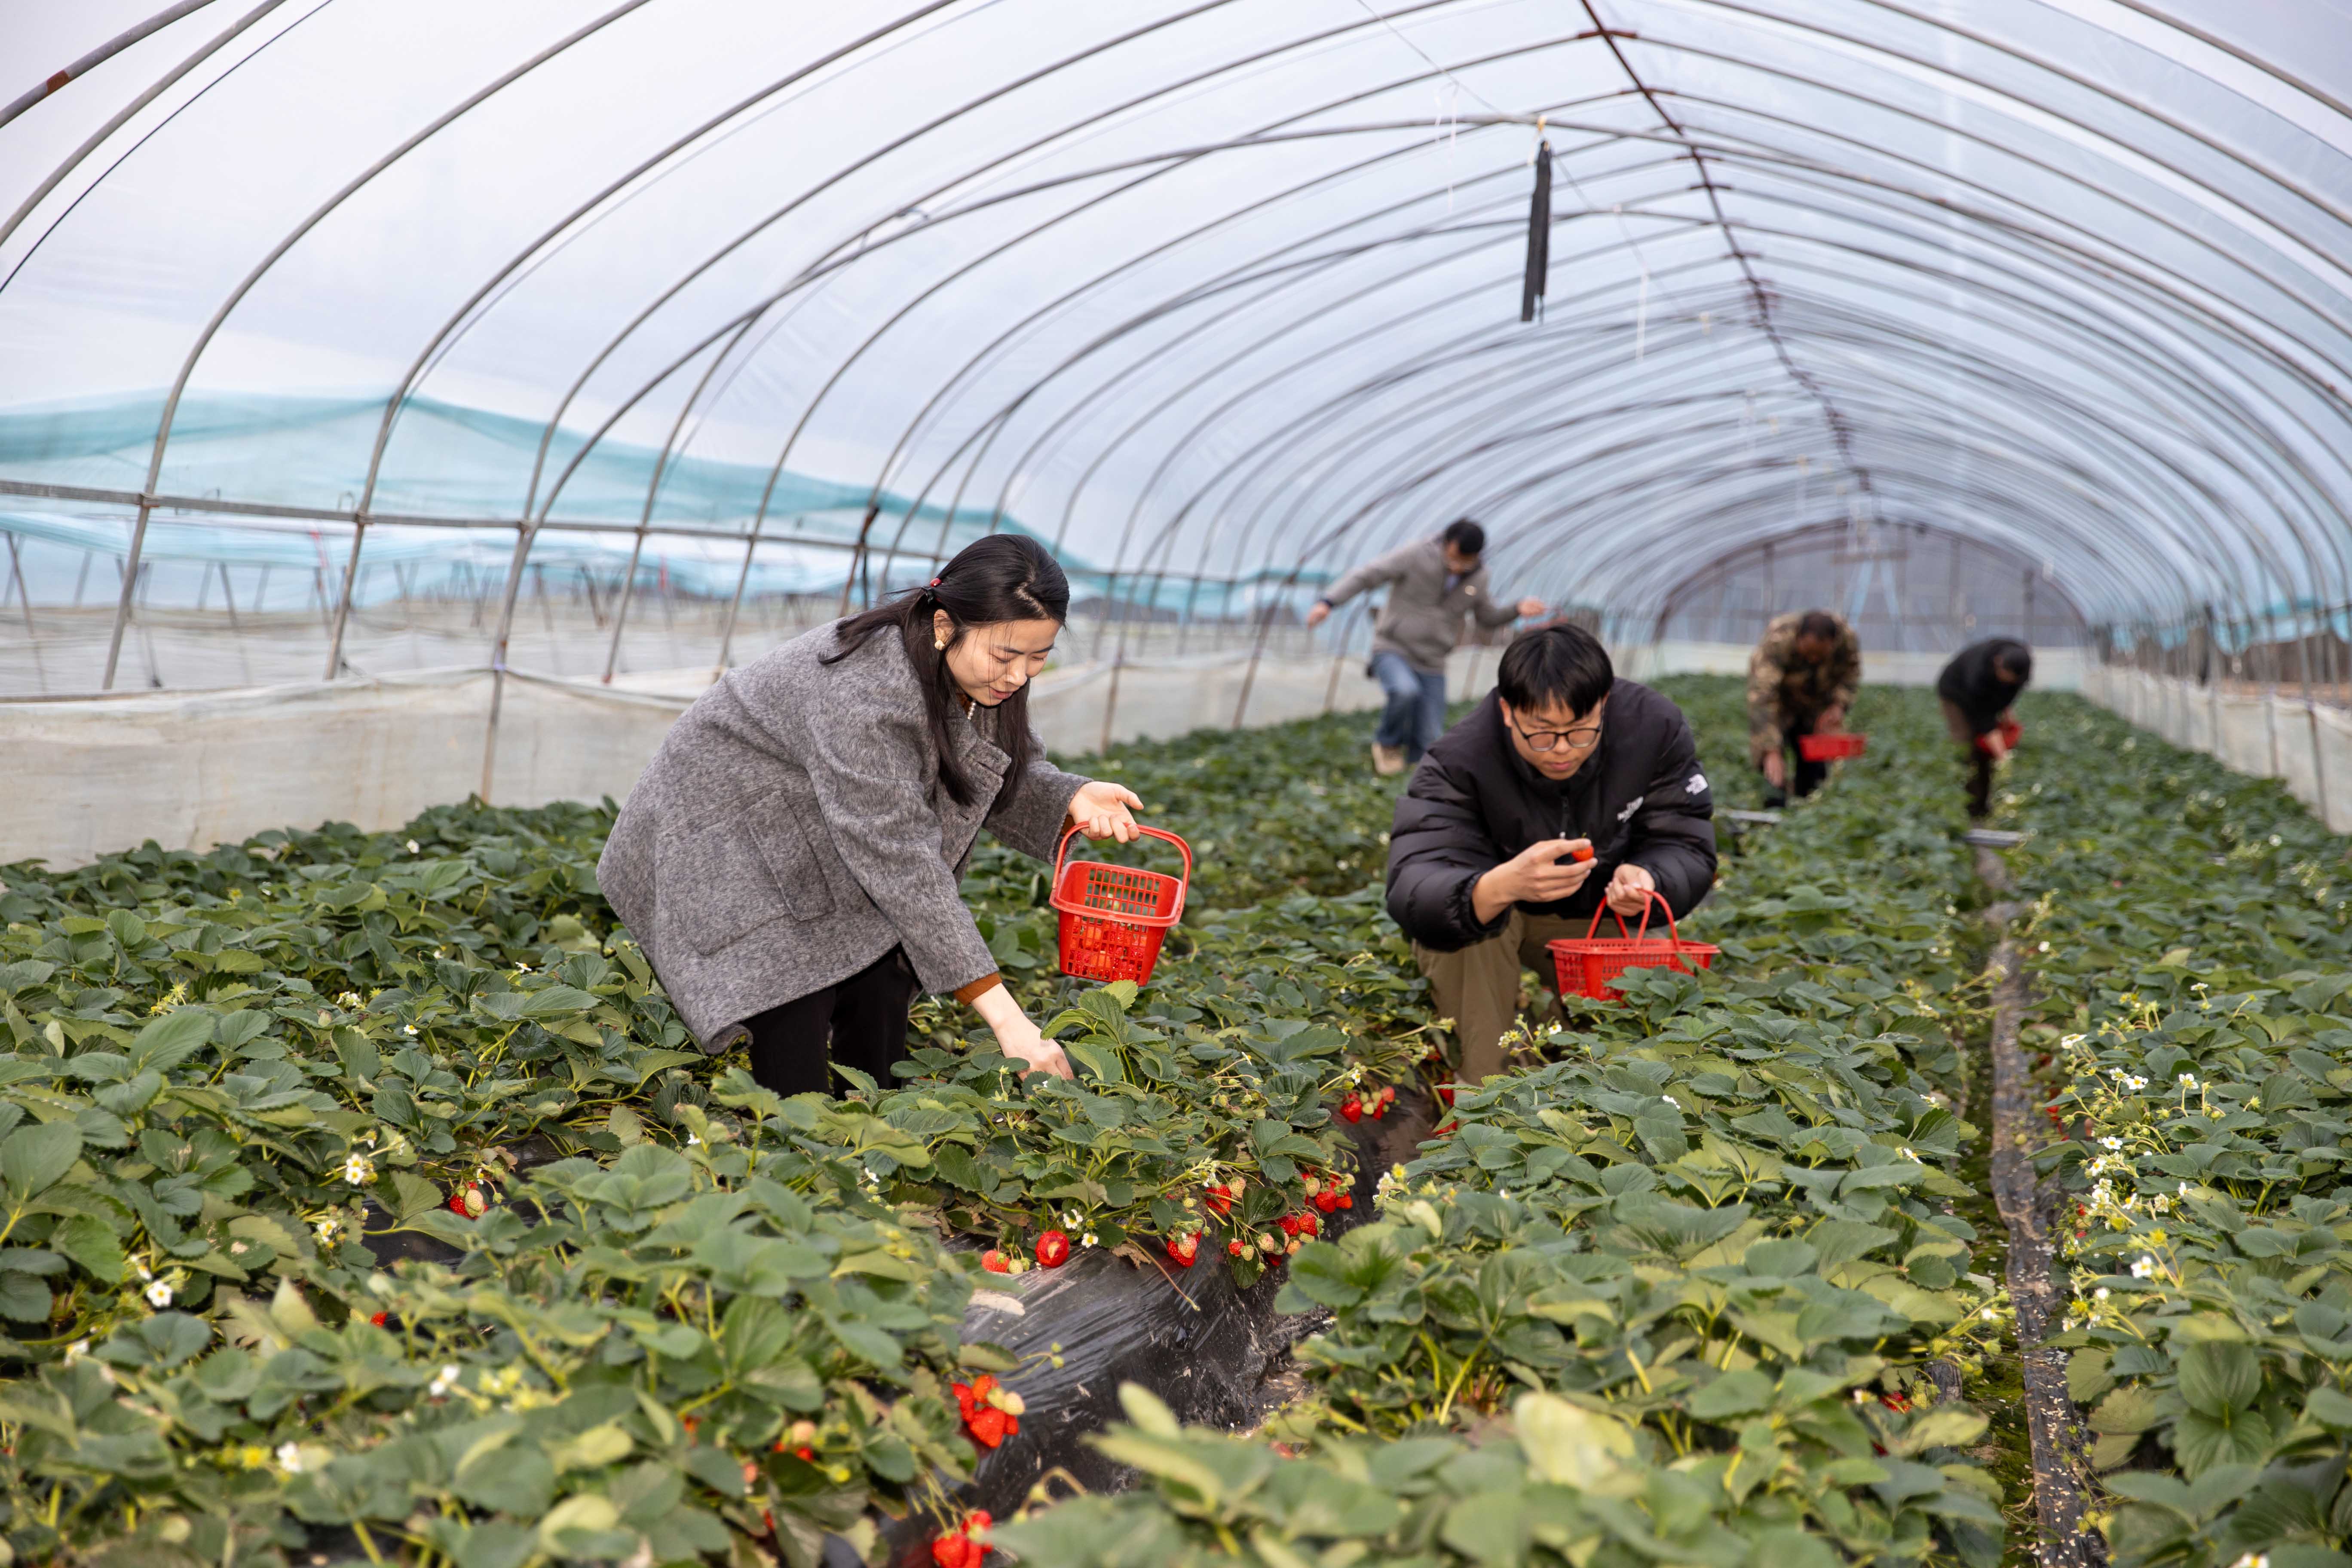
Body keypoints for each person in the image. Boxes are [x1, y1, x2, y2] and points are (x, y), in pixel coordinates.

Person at [597, 536, 1144, 1096]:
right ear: (943, 627)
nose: (1018, 676)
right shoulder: (865, 688)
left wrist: (1069, 795)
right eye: (1005, 656)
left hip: (811, 816)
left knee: (886, 967)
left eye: (1038, 657)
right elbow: (902, 863)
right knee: (792, 989)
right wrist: (1008, 1020)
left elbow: (978, 763)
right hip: (722, 824)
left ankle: (872, 1123)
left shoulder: (969, 679)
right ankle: (801, 1147)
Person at [1385, 624, 1718, 1082]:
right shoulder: (1461, 759)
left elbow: (1685, 837)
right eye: (1541, 734)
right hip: (1500, 921)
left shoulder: (1652, 729)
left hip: (1596, 912)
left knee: (1645, 1012)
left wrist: (1649, 876)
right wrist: (1498, 886)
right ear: (1507, 711)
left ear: (1604, 704)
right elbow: (1416, 878)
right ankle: (1487, 1101)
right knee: (1465, 936)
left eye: (1580, 733)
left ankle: (1586, 1080)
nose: (1562, 751)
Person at [1305, 519, 1546, 775]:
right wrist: (1328, 602)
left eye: (1466, 560)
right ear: (1447, 543)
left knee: (1430, 739)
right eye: (1455, 557)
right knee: (1404, 691)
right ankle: (1388, 744)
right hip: (1393, 646)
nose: (1458, 565)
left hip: (1433, 660)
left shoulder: (1479, 577)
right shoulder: (1416, 555)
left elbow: (1487, 617)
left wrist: (1516, 609)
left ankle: (1419, 777)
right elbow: (1367, 575)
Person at [1747, 609, 1861, 807]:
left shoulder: (1846, 640)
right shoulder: (1778, 639)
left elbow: (1851, 674)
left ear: (1833, 644)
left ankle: (1809, 809)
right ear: (1798, 638)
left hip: (1815, 707)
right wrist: (1770, 749)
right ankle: (1774, 812)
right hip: (1779, 706)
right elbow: (1762, 697)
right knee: (1773, 771)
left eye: (1821, 655)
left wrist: (1838, 705)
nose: (1813, 660)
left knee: (1814, 771)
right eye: (1809, 653)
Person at [1937, 638, 2033, 818]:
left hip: (1980, 698)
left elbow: (2008, 695)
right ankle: (1964, 807)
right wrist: (2003, 756)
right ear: (1997, 662)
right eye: (2001, 672)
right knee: (1966, 745)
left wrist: (2007, 715)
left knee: (1985, 755)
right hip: (1956, 693)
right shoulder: (1979, 672)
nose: (2002, 676)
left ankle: (1983, 806)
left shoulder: (2022, 666)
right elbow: (1984, 720)